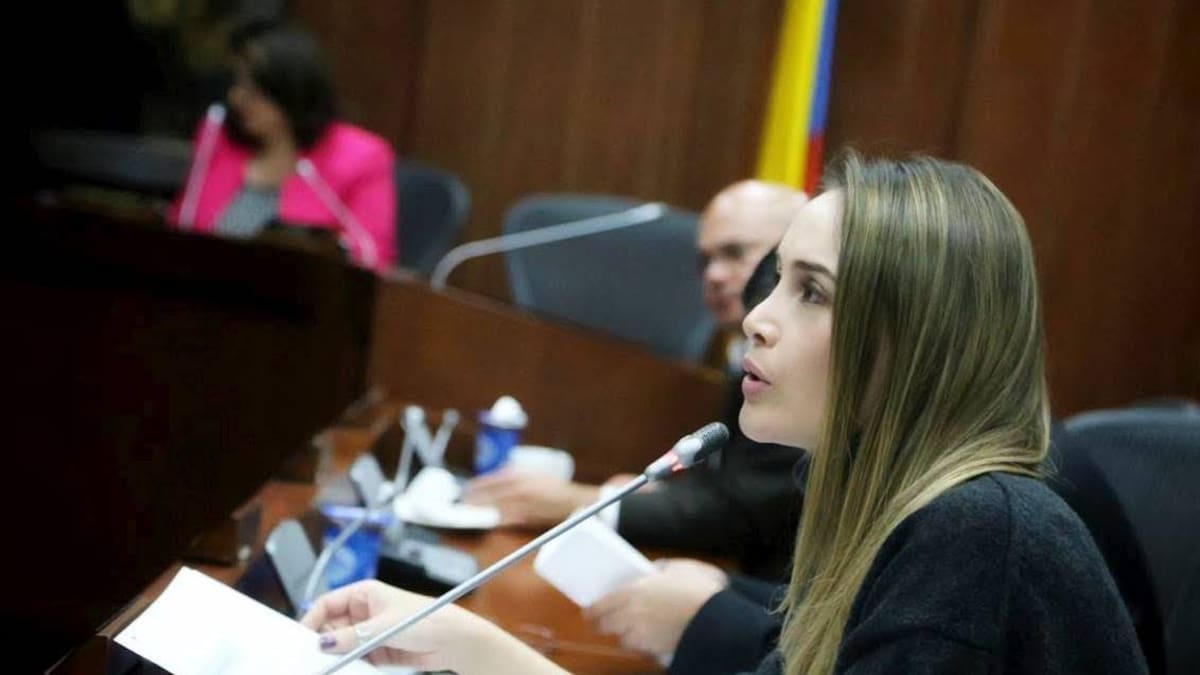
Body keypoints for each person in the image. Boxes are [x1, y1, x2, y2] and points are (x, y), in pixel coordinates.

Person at [303, 153, 1148, 674]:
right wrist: (467, 644)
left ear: (914, 341)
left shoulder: (975, 532)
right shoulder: (888, 496)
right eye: (775, 281)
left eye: (811, 291)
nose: (756, 319)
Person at [167, 21, 396, 273]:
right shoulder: (217, 138)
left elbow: (372, 258)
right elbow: (180, 226)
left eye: (253, 90)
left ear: (289, 92)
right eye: (237, 84)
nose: (237, 98)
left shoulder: (361, 157)